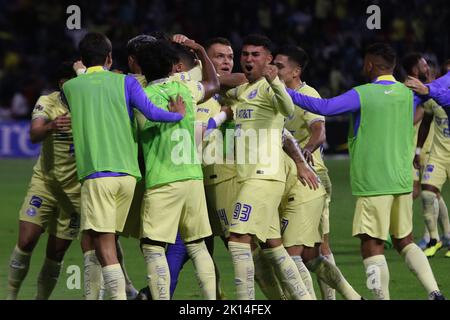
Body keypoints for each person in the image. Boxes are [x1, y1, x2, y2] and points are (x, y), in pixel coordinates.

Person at [287, 43, 444, 300]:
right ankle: (434, 292)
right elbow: (434, 93)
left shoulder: (363, 93)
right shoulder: (408, 93)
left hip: (374, 183)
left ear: (370, 64)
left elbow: (324, 107)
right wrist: (428, 86)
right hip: (402, 181)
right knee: (405, 240)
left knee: (372, 245)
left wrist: (284, 90)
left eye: (364, 63)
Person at [63, 32, 185, 300]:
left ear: (81, 60)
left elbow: (84, 91)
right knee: (98, 239)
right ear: (109, 57)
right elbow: (152, 112)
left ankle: (120, 295)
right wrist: (175, 116)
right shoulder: (127, 83)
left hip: (97, 174)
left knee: (103, 244)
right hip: (128, 176)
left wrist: (81, 73)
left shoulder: (71, 87)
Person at [226, 34, 315, 300]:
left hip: (263, 178)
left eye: (255, 55)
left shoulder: (269, 87)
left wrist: (274, 79)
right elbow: (218, 86)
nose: (248, 59)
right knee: (274, 246)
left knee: (238, 240)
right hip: (251, 177)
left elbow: (287, 108)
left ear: (268, 60)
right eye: (245, 54)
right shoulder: (243, 91)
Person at [136, 38, 220, 300]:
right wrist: (202, 51)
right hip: (192, 178)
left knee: (153, 247)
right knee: (197, 247)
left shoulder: (142, 97)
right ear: (173, 66)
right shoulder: (185, 89)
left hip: (163, 180)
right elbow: (213, 84)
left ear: (142, 68)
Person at [6, 62, 79, 300]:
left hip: (75, 193)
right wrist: (51, 126)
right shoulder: (48, 102)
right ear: (62, 83)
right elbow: (34, 134)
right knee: (26, 241)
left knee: (55, 254)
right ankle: (11, 296)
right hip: (45, 184)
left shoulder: (90, 105)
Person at [274, 44, 337, 300]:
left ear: (295, 71)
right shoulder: (277, 94)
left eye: (280, 66)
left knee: (318, 248)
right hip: (285, 178)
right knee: (297, 248)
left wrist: (306, 151)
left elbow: (318, 130)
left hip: (312, 176)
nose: (274, 69)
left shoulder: (307, 93)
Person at [402, 53, 450, 257]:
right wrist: (418, 150)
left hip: (436, 149)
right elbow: (426, 121)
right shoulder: (429, 97)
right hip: (438, 153)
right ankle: (434, 238)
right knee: (429, 192)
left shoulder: (433, 92)